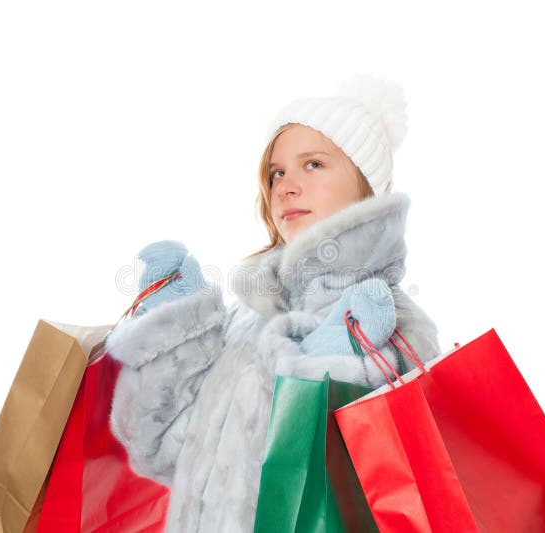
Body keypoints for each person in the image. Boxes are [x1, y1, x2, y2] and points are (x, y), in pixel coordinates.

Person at [104, 74, 443, 532]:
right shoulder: (249, 319)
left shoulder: (390, 321)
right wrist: (178, 332)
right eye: (276, 172)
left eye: (314, 165)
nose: (285, 186)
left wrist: (328, 370)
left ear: (366, 184)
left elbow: (380, 495)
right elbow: (163, 452)